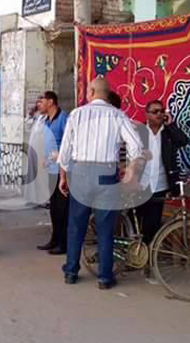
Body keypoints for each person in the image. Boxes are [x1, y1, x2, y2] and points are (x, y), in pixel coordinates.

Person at [57, 78, 145, 290]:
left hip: (80, 173)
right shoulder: (118, 115)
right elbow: (136, 146)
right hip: (107, 173)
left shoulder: (77, 114)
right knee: (105, 228)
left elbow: (65, 150)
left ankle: (71, 271)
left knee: (76, 225)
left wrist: (63, 177)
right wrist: (130, 169)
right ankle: (105, 277)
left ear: (91, 91)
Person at [134, 100, 188, 246]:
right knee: (136, 223)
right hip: (140, 185)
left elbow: (183, 141)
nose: (159, 114)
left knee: (153, 225)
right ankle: (136, 252)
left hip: (160, 185)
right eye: (155, 111)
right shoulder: (139, 132)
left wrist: (171, 125)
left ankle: (149, 254)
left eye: (162, 111)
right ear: (147, 115)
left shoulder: (168, 133)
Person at [35, 91, 70, 255]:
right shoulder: (46, 121)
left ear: (50, 102)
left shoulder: (64, 118)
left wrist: (60, 154)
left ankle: (64, 243)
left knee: (62, 209)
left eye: (41, 101)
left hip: (62, 171)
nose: (38, 104)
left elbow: (70, 142)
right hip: (50, 170)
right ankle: (54, 239)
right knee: (54, 208)